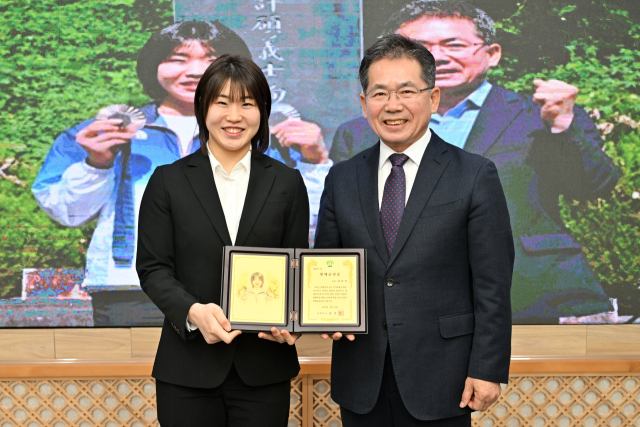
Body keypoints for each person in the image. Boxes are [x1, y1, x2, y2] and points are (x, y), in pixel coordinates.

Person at [329, 0, 619, 323]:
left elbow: (594, 185)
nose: (437, 57)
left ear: (492, 53)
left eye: (454, 44)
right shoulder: (359, 134)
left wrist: (563, 128)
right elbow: (348, 230)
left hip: (531, 296)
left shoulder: (540, 118)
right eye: (419, 48)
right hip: (408, 312)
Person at [31, 20, 326, 325]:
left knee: (233, 373)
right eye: (177, 59)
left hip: (239, 287)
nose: (196, 70)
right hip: (133, 288)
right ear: (152, 66)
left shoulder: (273, 135)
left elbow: (304, 220)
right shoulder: (104, 133)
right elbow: (67, 213)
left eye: (211, 59)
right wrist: (97, 163)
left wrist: (314, 162)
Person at [315, 34, 514, 427]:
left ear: (433, 98)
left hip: (444, 378)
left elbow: (493, 284)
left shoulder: (474, 175)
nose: (393, 106)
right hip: (362, 379)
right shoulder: (342, 177)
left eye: (407, 91)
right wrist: (323, 314)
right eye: (380, 93)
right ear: (363, 103)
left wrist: (488, 368)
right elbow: (326, 265)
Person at [136, 54, 309, 426]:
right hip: (187, 369)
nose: (234, 116)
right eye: (222, 102)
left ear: (263, 111)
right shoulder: (168, 181)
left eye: (247, 103)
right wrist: (193, 312)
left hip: (264, 368)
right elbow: (153, 268)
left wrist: (293, 320)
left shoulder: (287, 182)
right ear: (203, 108)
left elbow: (298, 267)